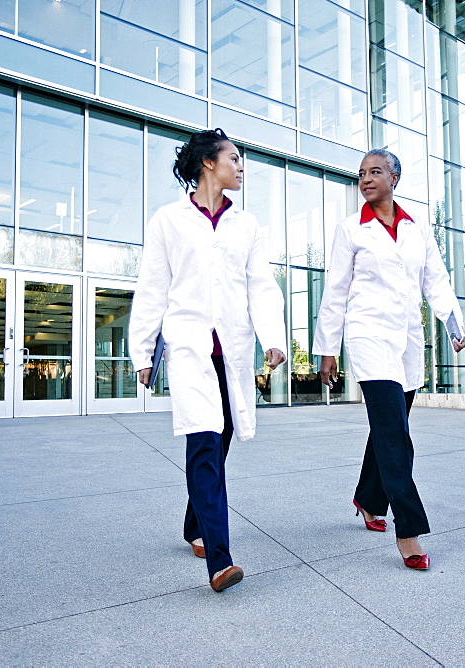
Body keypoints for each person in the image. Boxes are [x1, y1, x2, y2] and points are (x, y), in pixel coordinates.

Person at [129, 128, 287, 592]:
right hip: (188, 348)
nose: (241, 167)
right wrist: (143, 352)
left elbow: (261, 285)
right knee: (202, 441)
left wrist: (272, 337)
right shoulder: (168, 221)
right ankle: (220, 558)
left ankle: (192, 523)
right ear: (208, 164)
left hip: (232, 351)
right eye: (234, 158)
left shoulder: (247, 225)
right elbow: (152, 289)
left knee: (222, 439)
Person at [312, 149, 465, 570]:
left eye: (375, 171)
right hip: (367, 337)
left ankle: (367, 497)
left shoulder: (417, 228)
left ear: (394, 178)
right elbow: (336, 291)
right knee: (394, 433)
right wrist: (327, 347)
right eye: (361, 173)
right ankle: (409, 531)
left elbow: (436, 280)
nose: (366, 178)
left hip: (407, 341)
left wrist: (454, 325)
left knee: (390, 426)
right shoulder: (351, 230)